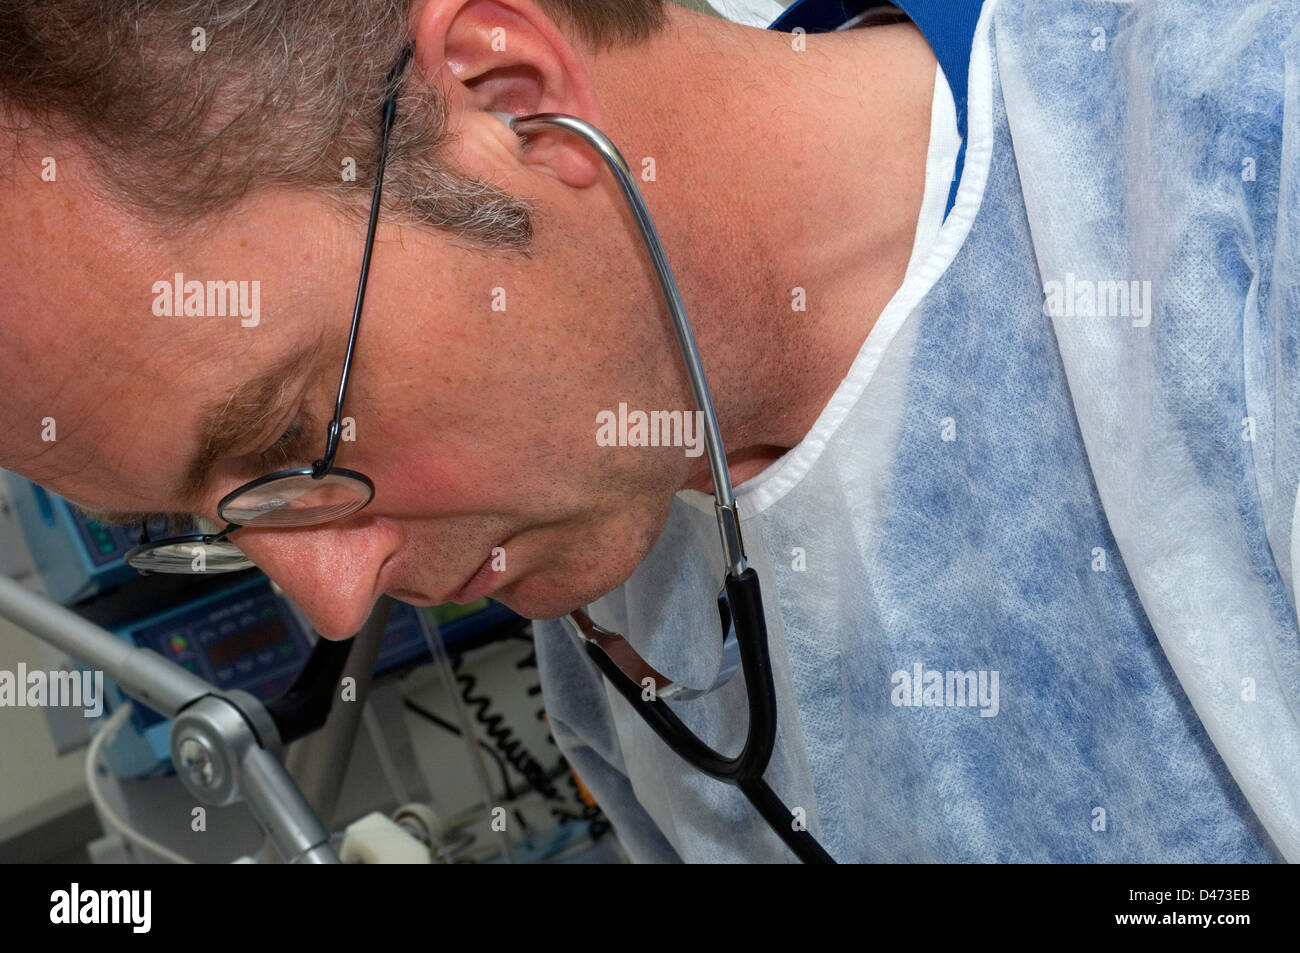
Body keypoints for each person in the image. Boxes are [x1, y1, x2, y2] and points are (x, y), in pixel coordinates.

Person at [0, 0, 1295, 863]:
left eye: (298, 429)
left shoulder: (1242, 174)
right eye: (212, 521)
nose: (336, 606)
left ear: (507, 95)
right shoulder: (613, 581)